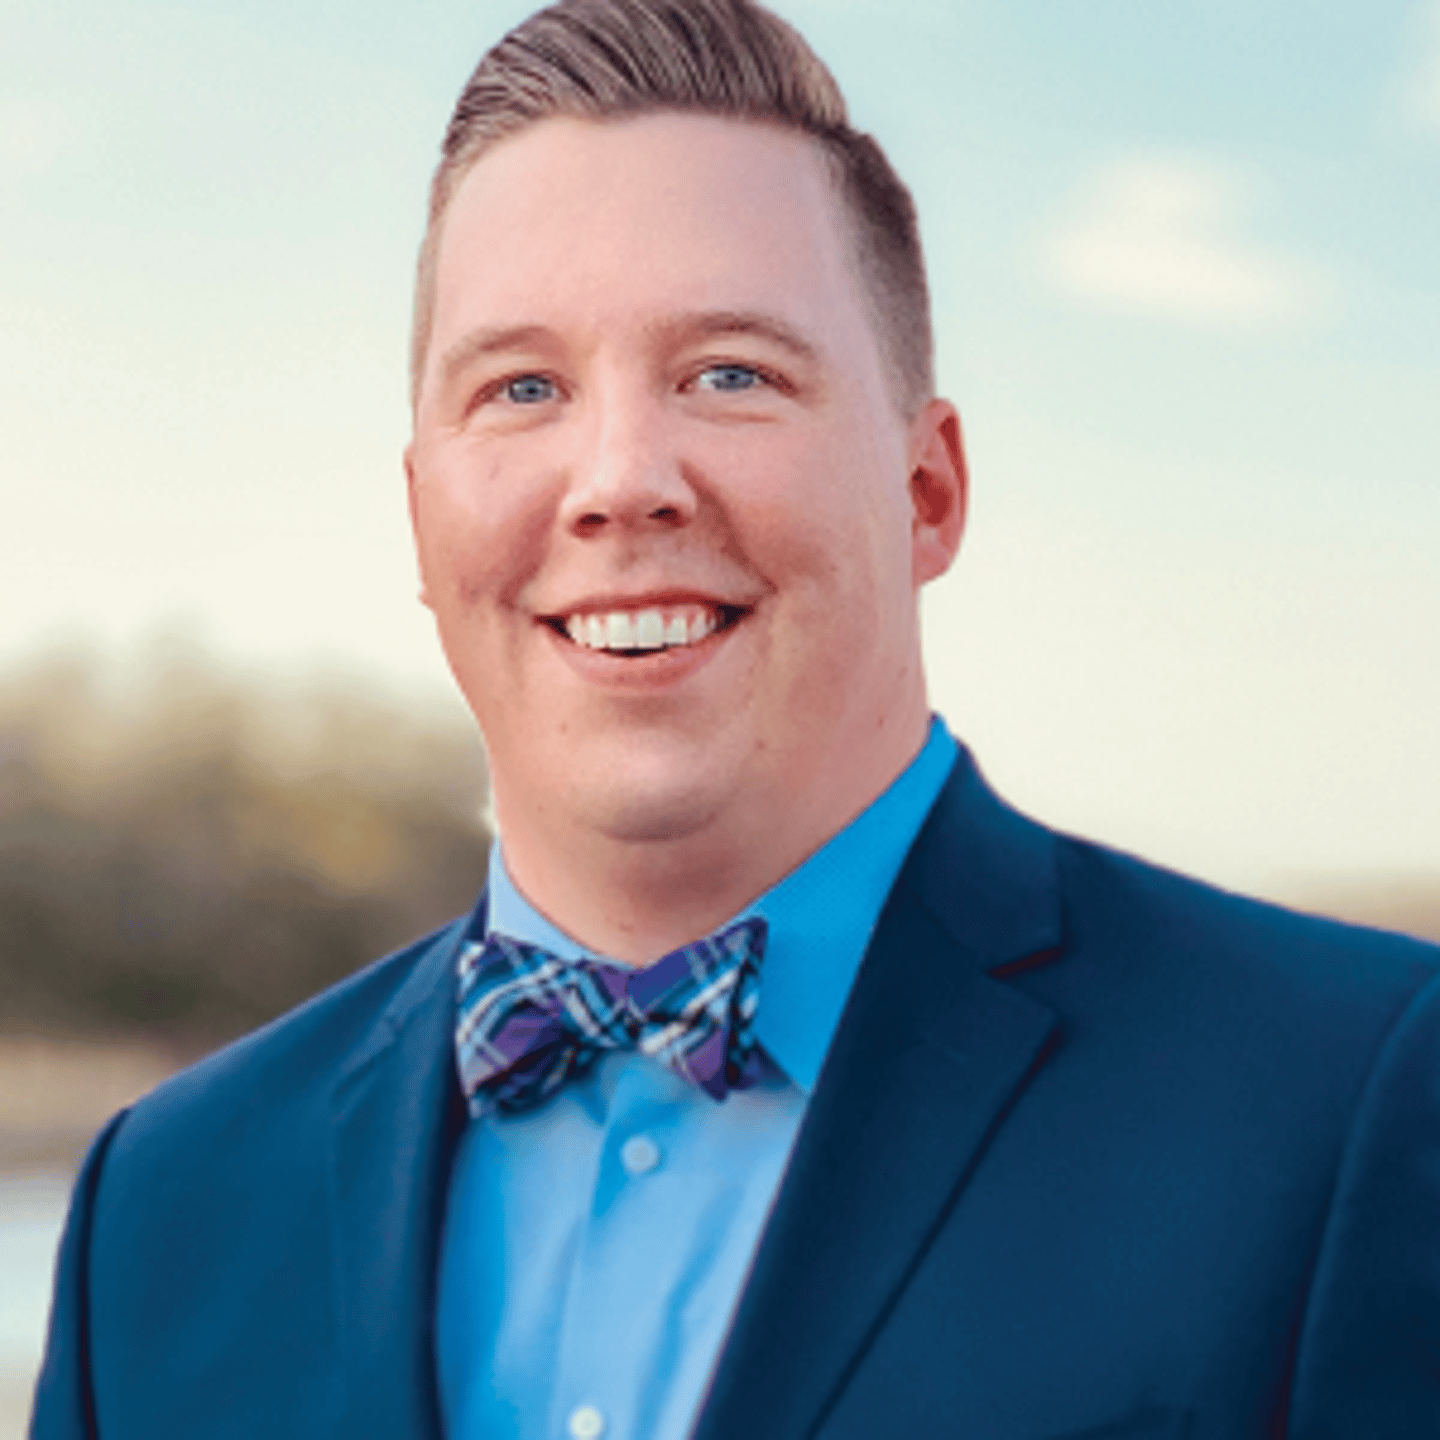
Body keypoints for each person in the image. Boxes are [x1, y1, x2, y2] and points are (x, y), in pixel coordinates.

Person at [30, 1, 1440, 1436]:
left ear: (928, 490)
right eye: (523, 388)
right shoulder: (164, 1204)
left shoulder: (1355, 1104)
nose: (620, 479)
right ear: (420, 514)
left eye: (731, 374)